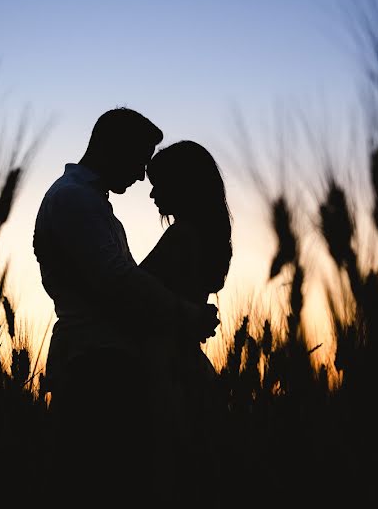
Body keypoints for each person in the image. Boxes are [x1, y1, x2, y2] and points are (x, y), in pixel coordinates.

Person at [33, 108, 220, 507]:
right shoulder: (74, 200)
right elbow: (118, 281)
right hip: (97, 365)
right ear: (112, 147)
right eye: (139, 160)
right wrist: (187, 316)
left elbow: (126, 284)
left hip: (113, 365)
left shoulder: (92, 205)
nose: (140, 177)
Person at [139, 140, 232, 507]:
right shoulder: (205, 238)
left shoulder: (181, 237)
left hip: (161, 366)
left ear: (182, 186)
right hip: (185, 361)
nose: (151, 195)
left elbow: (136, 293)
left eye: (158, 184)